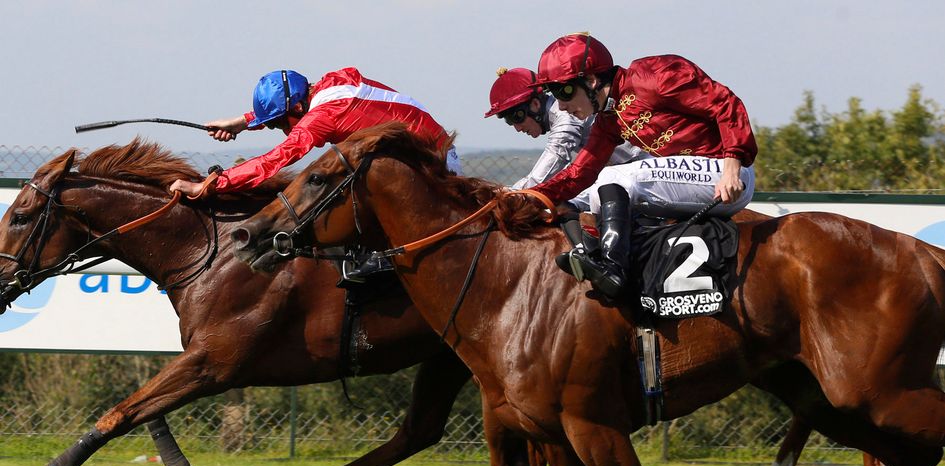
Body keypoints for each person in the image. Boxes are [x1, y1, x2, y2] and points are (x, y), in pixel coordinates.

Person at [170, 67, 462, 280]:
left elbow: (275, 160)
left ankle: (388, 263)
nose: (281, 128)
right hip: (423, 149)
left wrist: (212, 184)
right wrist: (245, 122)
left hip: (435, 163)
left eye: (277, 123)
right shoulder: (325, 87)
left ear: (298, 106)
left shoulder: (324, 115)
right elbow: (292, 113)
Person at [524, 33, 758, 298]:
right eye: (554, 95)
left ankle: (613, 271)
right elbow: (580, 173)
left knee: (613, 177)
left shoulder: (653, 75)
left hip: (724, 175)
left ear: (591, 80)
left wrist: (731, 167)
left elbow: (726, 103)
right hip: (693, 185)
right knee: (588, 198)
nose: (562, 106)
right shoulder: (609, 119)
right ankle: (602, 258)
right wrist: (532, 196)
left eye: (564, 92)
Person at [484, 67, 644, 212]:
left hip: (642, 167)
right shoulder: (562, 116)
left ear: (534, 104)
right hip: (625, 172)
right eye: (508, 121)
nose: (517, 128)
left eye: (516, 117)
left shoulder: (566, 117)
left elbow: (551, 162)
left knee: (567, 204)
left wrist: (510, 196)